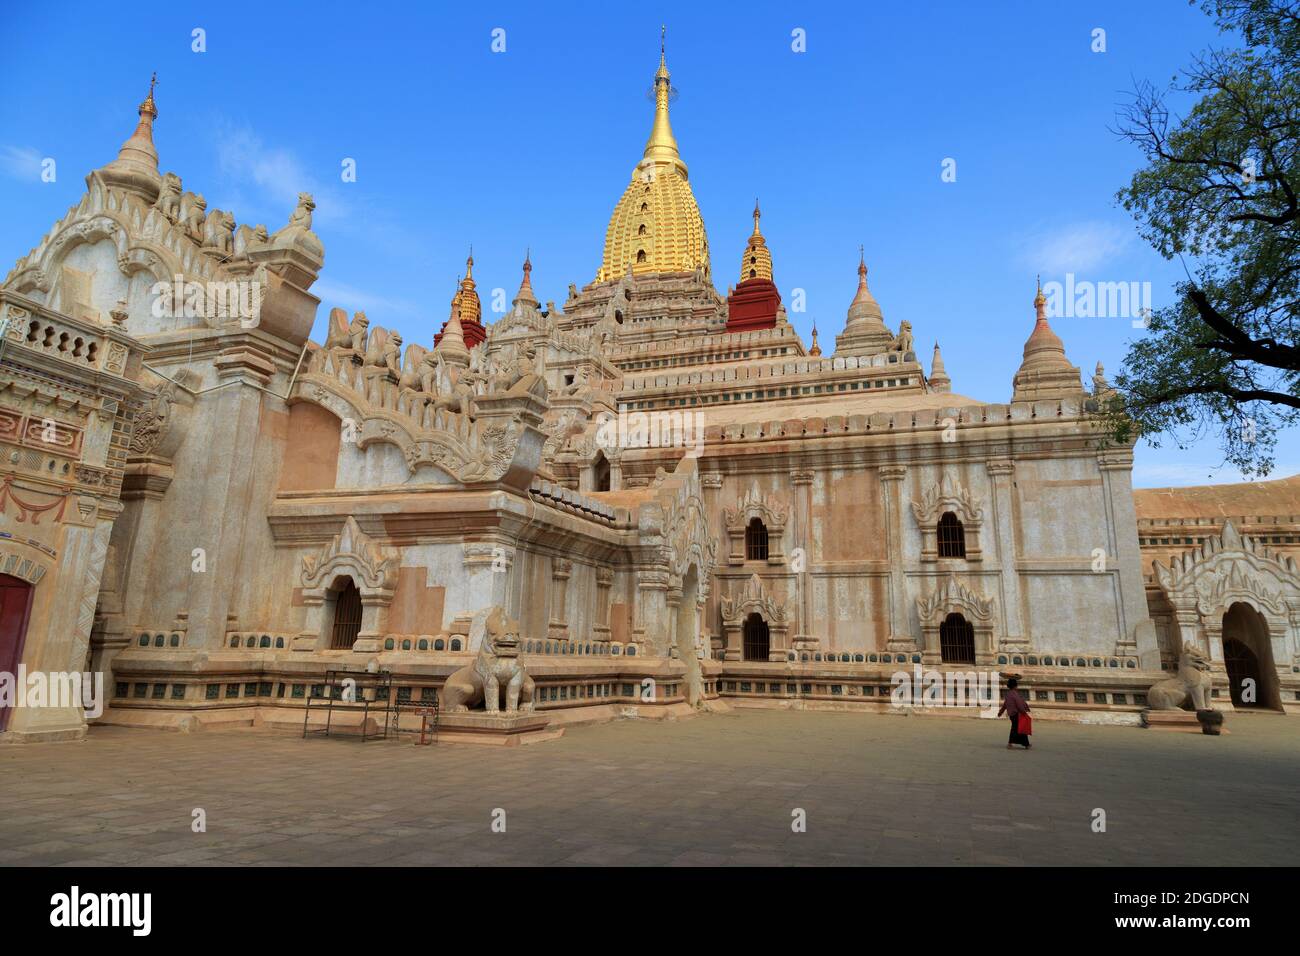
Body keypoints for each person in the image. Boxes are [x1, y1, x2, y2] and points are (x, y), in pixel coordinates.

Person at [998, 677, 1031, 749]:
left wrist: (1000, 712)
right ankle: (1024, 744)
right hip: (1017, 714)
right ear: (1015, 686)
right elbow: (1019, 704)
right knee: (1019, 728)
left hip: (1011, 714)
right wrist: (1024, 711)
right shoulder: (1015, 694)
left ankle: (1022, 744)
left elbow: (1005, 705)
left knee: (1015, 728)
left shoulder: (1008, 694)